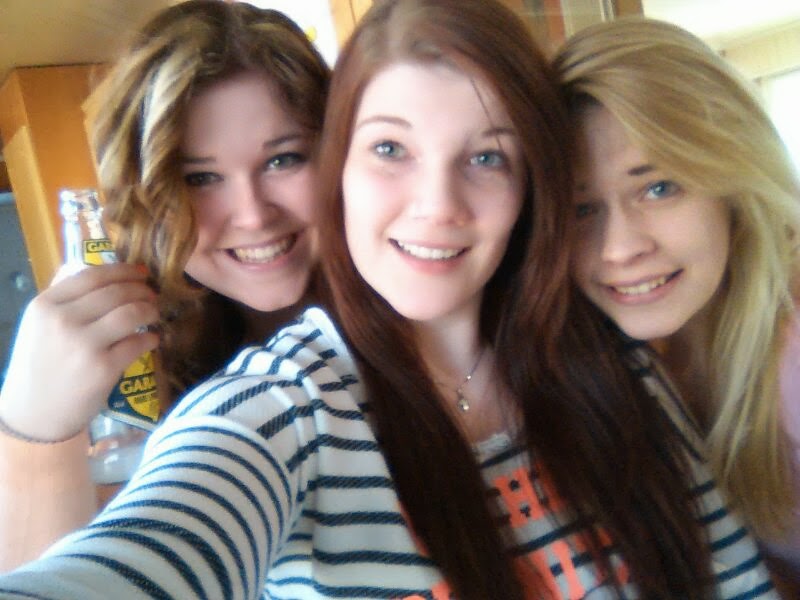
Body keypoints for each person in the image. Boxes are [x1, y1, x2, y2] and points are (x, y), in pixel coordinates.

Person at [0, 1, 778, 598]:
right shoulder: (270, 406)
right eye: (390, 149)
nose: (437, 206)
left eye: (487, 156)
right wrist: (30, 432)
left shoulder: (608, 359)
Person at [0, 0, 329, 570]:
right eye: (200, 177)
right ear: (149, 200)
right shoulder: (136, 371)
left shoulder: (421, 318)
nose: (252, 215)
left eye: (284, 160)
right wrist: (32, 433)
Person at [553, 16, 800, 595]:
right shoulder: (611, 358)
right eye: (581, 209)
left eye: (659, 187)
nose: (620, 249)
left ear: (732, 180)